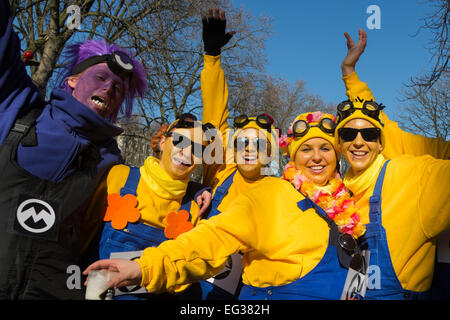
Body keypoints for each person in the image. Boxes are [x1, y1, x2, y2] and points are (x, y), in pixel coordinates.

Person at [84, 104, 374, 300]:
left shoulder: (351, 200)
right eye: (306, 149)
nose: (316, 157)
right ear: (292, 158)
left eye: (325, 148)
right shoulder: (272, 193)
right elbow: (213, 238)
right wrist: (145, 267)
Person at [0, 0, 148, 299]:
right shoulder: (19, 108)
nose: (109, 89)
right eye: (101, 78)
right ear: (72, 80)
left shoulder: (113, 164)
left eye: (118, 89)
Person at [335, 29, 450, 299]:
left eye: (370, 135)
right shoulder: (337, 191)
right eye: (349, 135)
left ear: (381, 143)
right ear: (339, 144)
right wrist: (348, 71)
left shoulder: (411, 176)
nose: (359, 141)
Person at [197, 8, 278, 300]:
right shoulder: (220, 169)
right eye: (242, 142)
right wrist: (212, 57)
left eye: (257, 144)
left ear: (269, 154)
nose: (248, 149)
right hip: (199, 285)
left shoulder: (278, 192)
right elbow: (215, 116)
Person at [90, 114, 214, 300]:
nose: (187, 153)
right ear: (163, 142)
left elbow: (188, 270)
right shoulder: (119, 176)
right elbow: (82, 231)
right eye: (180, 141)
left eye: (197, 149)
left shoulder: (194, 210)